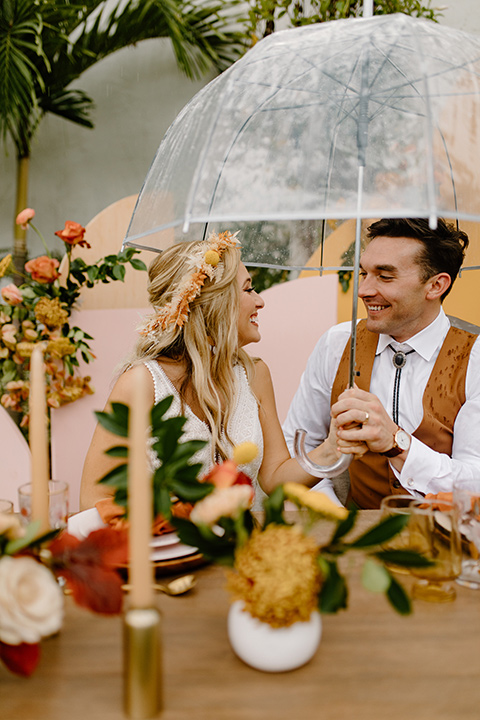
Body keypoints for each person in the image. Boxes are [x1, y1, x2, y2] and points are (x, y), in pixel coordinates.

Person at [80, 231, 349, 511]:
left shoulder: (255, 375)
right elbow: (94, 499)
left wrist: (333, 446)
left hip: (247, 543)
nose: (260, 301)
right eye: (247, 289)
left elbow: (274, 477)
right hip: (170, 549)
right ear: (213, 303)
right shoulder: (141, 383)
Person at [283, 217, 480, 509]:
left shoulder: (475, 357)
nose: (363, 290)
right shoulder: (337, 343)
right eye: (363, 273)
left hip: (450, 540)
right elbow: (298, 445)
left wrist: (396, 443)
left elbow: (474, 480)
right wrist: (333, 514)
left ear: (436, 285)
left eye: (385, 277)